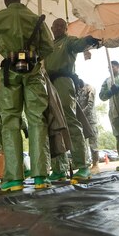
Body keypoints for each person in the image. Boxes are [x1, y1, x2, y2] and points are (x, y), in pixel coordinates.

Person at [0, 0, 53, 192]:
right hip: (33, 70)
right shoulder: (35, 18)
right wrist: (34, 55)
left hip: (10, 72)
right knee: (37, 121)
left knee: (10, 121)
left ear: (6, 0)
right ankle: (41, 176)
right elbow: (49, 46)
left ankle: (14, 179)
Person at [44, 18, 100, 182]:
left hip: (63, 81)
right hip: (49, 84)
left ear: (66, 28)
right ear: (52, 28)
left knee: (70, 120)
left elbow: (79, 44)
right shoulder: (48, 46)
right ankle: (59, 169)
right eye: (56, 26)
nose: (59, 28)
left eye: (62, 25)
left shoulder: (68, 41)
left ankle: (82, 165)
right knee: (53, 124)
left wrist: (88, 41)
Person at [76, 78, 100, 172]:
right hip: (81, 121)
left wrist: (80, 115)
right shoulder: (76, 90)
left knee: (93, 143)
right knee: (83, 144)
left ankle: (95, 164)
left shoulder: (90, 88)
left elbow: (90, 105)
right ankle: (86, 164)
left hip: (90, 120)